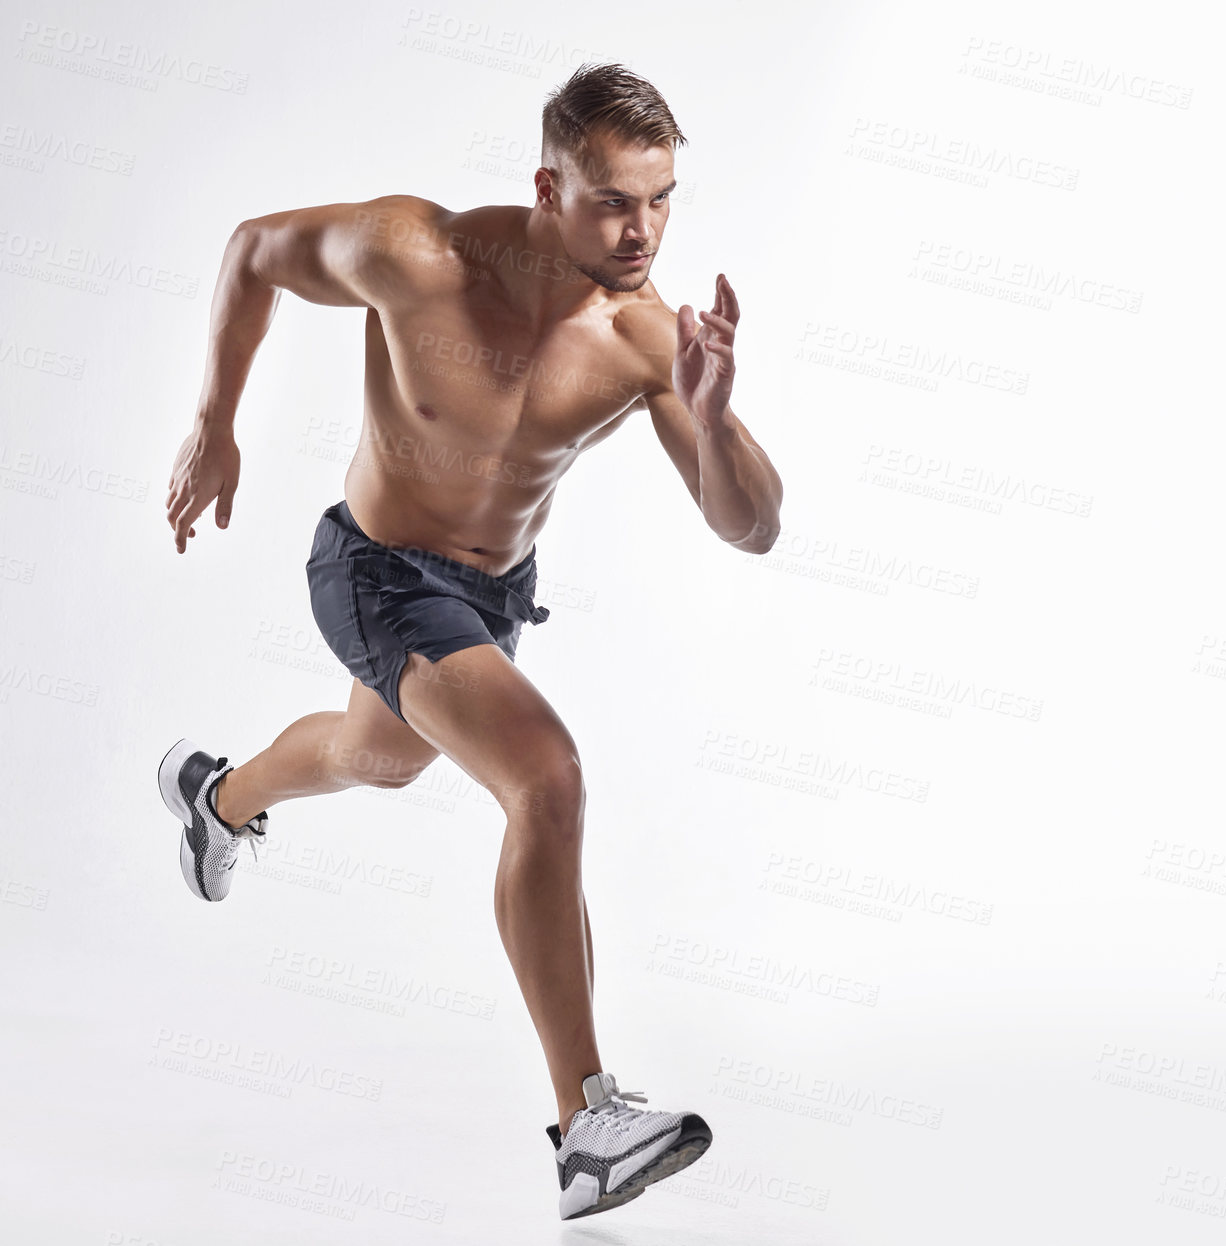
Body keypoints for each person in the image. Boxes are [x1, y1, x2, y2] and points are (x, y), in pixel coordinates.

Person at [155, 61, 782, 1220]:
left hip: (491, 599)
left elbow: (750, 527)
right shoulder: (419, 254)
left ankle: (219, 796)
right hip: (375, 568)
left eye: (662, 199)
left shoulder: (648, 339)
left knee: (378, 758)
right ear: (550, 186)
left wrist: (719, 408)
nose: (642, 229)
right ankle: (588, 1124)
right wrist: (214, 423)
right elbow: (252, 250)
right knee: (546, 775)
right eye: (614, 201)